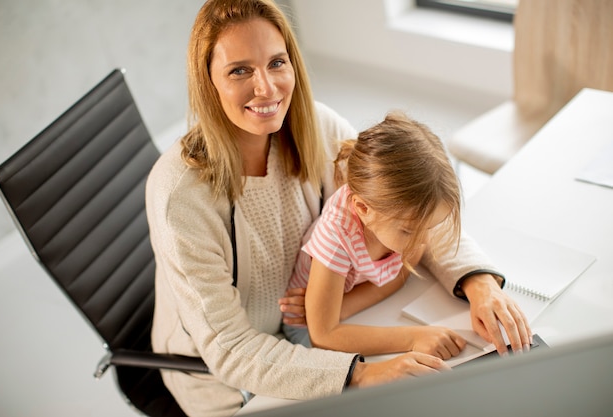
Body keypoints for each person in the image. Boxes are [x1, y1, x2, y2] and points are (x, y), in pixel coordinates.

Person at [145, 0, 532, 416]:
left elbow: (406, 206)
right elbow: (232, 350)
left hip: (312, 331)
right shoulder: (180, 197)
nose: (267, 88)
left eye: (277, 62)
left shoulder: (316, 126)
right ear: (208, 81)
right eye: (239, 70)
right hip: (227, 380)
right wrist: (359, 374)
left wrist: (478, 283)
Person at [284, 111, 470, 359]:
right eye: (408, 231)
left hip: (347, 311)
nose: (422, 241)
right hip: (306, 328)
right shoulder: (337, 237)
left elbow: (400, 273)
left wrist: (344, 307)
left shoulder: (401, 220)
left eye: (429, 228)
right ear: (363, 209)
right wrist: (413, 338)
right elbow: (323, 336)